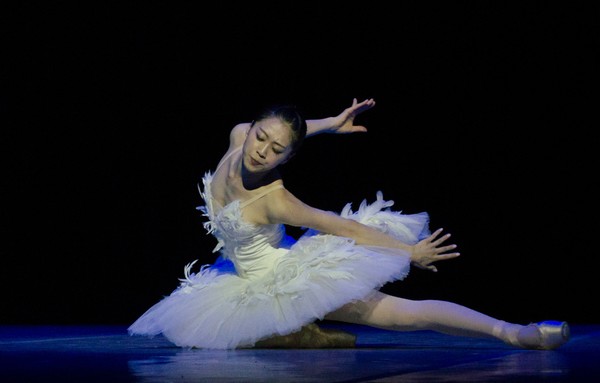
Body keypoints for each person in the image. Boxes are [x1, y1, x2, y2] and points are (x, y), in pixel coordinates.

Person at [128, 98, 570, 351]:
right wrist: (329, 124)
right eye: (262, 137)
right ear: (252, 128)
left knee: (397, 315)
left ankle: (515, 333)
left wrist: (408, 253)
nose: (262, 150)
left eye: (276, 149)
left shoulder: (275, 198)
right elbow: (287, 129)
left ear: (286, 158)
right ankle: (299, 334)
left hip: (285, 282)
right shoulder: (238, 134)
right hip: (240, 282)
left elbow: (346, 229)